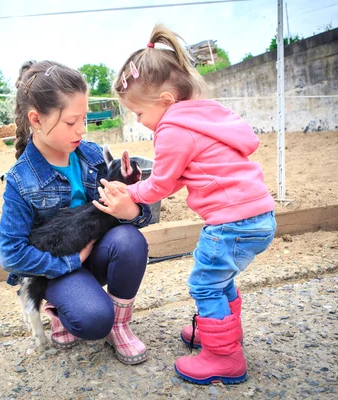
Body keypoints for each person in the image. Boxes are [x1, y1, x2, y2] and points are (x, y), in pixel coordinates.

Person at [93, 24, 277, 384]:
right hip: (258, 216)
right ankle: (220, 335)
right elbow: (182, 176)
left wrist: (130, 193)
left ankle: (223, 357)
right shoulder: (205, 117)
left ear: (165, 101)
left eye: (139, 113)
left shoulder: (172, 128)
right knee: (219, 279)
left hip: (230, 223)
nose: (139, 122)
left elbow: (161, 184)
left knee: (205, 283)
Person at [0, 60, 152, 365]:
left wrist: (131, 208)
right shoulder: (20, 179)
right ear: (36, 119)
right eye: (71, 122)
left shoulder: (92, 155)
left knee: (130, 240)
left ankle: (119, 326)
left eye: (84, 118)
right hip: (57, 269)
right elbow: (11, 254)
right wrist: (70, 261)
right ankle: (62, 308)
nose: (82, 129)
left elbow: (144, 215)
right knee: (93, 320)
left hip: (95, 253)